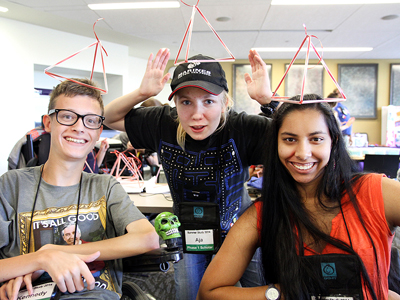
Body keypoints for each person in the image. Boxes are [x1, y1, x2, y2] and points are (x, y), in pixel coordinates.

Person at [103, 48, 273, 300]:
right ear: (175, 103)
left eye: (208, 101)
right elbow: (106, 118)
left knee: (256, 293)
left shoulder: (242, 127)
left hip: (241, 232)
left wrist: (269, 103)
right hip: (189, 233)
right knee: (189, 295)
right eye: (186, 102)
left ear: (225, 102)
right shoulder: (163, 123)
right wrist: (142, 93)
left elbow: (297, 136)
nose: (196, 114)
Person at [197, 94, 400, 300]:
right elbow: (209, 292)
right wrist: (278, 293)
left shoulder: (375, 192)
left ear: (333, 141)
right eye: (290, 139)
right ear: (275, 144)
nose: (303, 153)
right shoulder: (264, 213)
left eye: (316, 139)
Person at [0, 78, 159, 300]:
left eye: (91, 120)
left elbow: (147, 238)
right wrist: (40, 260)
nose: (79, 127)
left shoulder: (105, 186)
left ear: (98, 130)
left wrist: (56, 252)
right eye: (67, 116)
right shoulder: (11, 186)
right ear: (48, 123)